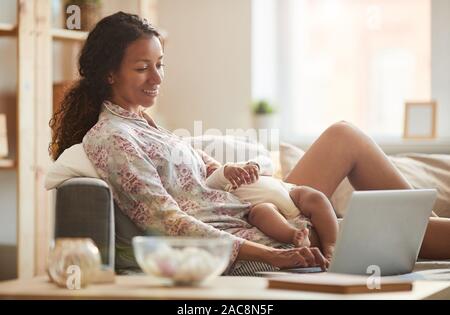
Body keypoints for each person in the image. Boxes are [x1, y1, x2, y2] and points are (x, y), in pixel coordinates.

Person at [49, 12, 450, 275]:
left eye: (160, 64)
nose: (157, 77)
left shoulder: (143, 122)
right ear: (108, 74)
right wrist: (272, 254)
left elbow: (204, 169)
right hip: (251, 230)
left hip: (253, 208)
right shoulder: (112, 138)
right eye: (142, 67)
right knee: (386, 229)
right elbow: (164, 221)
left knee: (347, 139)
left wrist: (231, 172)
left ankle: (412, 215)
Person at [205, 161, 338, 260]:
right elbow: (211, 182)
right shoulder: (220, 184)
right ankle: (294, 235)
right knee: (261, 212)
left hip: (290, 193)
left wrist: (253, 166)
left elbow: (265, 163)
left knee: (316, 197)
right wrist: (226, 170)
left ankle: (331, 245)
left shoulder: (242, 166)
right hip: (265, 206)